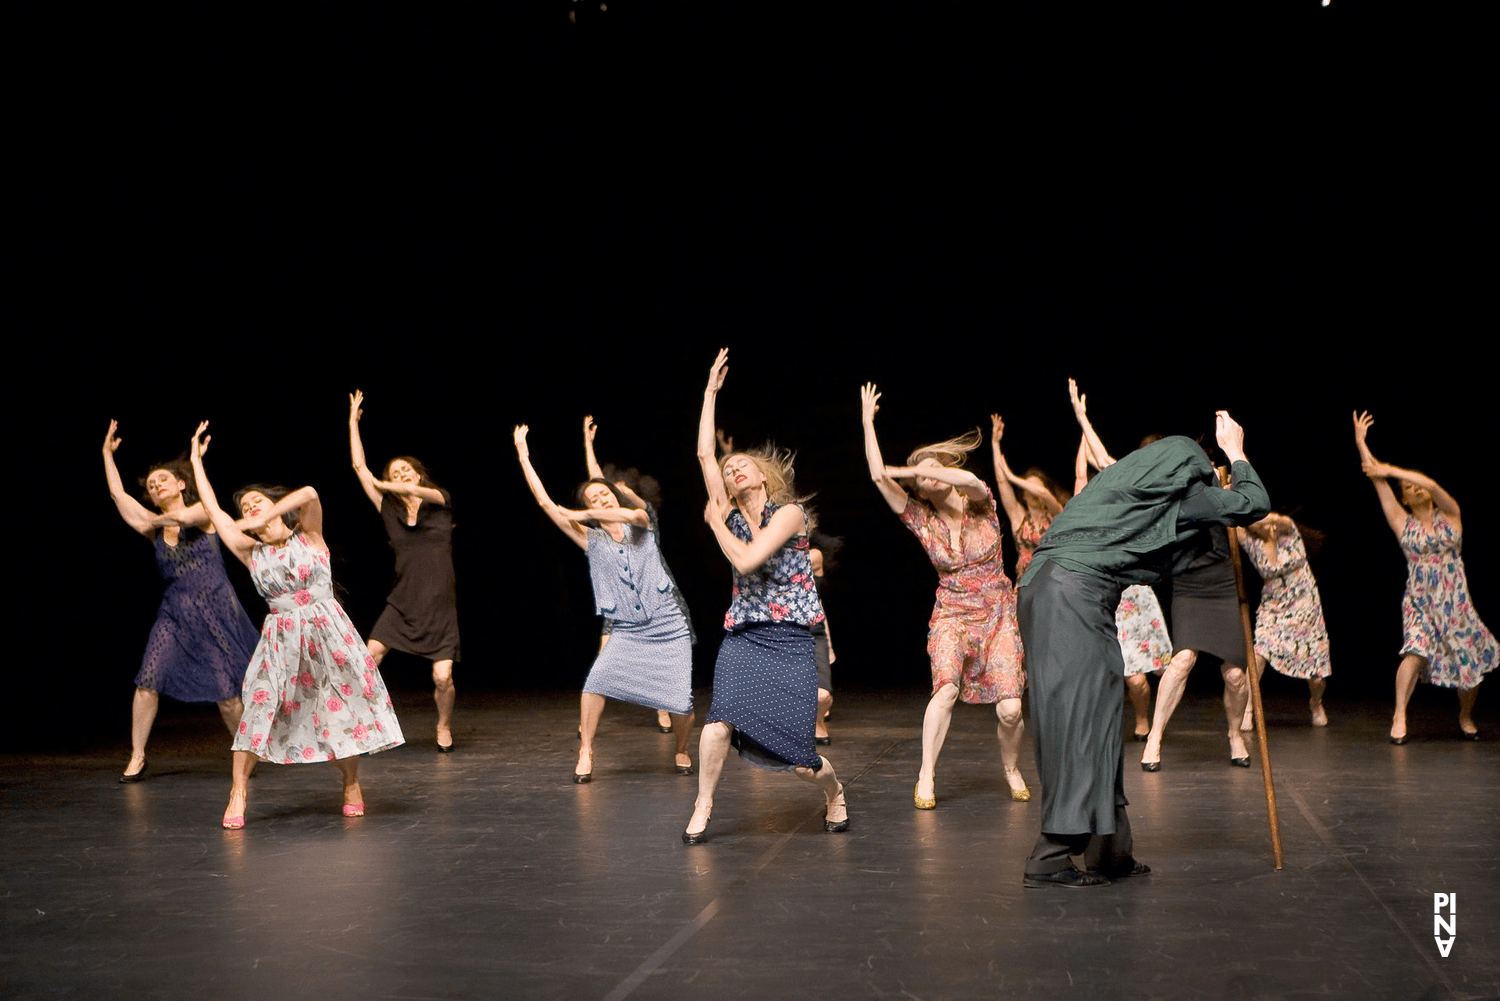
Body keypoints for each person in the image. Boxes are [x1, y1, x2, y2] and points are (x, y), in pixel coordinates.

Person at [1017, 389, 1268, 888]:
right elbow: (1252, 502)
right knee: (1081, 721)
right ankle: (1050, 856)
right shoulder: (1179, 494)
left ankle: (1110, 851)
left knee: (1101, 715)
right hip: (1071, 594)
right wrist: (1236, 453)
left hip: (1051, 589)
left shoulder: (1125, 490)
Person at [187, 422, 404, 829]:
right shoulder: (249, 550)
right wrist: (197, 462)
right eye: (245, 505)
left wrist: (266, 511)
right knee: (259, 705)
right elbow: (215, 510)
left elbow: (310, 493)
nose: (250, 507)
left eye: (257, 501)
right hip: (280, 637)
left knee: (338, 709)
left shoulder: (310, 536)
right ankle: (238, 791)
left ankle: (352, 784)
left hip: (327, 633)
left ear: (273, 505)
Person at [682, 349, 848, 843]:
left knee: (799, 759)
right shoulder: (727, 511)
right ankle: (703, 804)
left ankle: (834, 793)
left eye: (743, 466)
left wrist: (714, 526)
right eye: (730, 469)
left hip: (791, 638)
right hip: (745, 635)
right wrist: (710, 393)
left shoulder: (789, 514)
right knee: (717, 724)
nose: (733, 470)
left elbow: (749, 560)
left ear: (761, 477)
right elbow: (703, 454)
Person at [860, 383, 1029, 810]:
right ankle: (926, 774)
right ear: (921, 491)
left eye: (936, 469)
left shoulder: (981, 503)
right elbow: (878, 476)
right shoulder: (921, 519)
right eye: (924, 477)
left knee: (1010, 708)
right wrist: (867, 422)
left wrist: (914, 468)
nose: (930, 476)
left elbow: (969, 478)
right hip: (952, 613)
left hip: (997, 615)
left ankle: (1011, 767)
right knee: (946, 691)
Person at [514, 419, 696, 782]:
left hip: (667, 621)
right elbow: (545, 502)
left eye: (604, 495)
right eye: (591, 499)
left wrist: (584, 510)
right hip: (626, 627)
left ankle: (681, 748)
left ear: (614, 494)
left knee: (683, 703)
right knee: (595, 682)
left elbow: (628, 513)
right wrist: (523, 455)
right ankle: (586, 750)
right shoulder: (591, 540)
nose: (599, 500)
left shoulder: (643, 520)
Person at [102, 422, 260, 782]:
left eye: (163, 480)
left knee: (227, 695)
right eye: (152, 485)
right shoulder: (155, 525)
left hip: (215, 610)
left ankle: (247, 750)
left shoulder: (204, 514)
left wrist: (152, 518)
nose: (157, 486)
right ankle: (138, 755)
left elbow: (188, 515)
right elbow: (118, 496)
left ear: (182, 484)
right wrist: (107, 455)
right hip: (174, 613)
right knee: (147, 680)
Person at [1354, 411, 1495, 741]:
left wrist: (1391, 469)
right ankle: (1399, 714)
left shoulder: (1451, 514)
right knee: (1415, 650)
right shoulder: (1403, 523)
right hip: (1419, 600)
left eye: (1415, 484)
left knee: (1470, 666)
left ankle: (1465, 715)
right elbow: (1377, 480)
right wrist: (1362, 444)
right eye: (1406, 488)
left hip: (1456, 602)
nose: (1414, 488)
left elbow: (1428, 482)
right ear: (1404, 498)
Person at [348, 391, 461, 752]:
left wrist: (390, 482)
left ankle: (443, 725)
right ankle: (369, 726)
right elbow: (359, 469)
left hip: (439, 604)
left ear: (417, 474)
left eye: (405, 471)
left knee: (442, 677)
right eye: (393, 473)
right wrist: (353, 422)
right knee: (368, 660)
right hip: (402, 601)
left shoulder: (439, 501)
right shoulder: (388, 508)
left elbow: (414, 489)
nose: (399, 476)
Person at [1239, 514, 1332, 726]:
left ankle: (1316, 702)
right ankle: (1247, 708)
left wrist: (1266, 519)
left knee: (1316, 677)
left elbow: (1281, 518)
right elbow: (1230, 521)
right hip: (1273, 607)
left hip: (1305, 606)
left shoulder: (1288, 531)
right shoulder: (1248, 539)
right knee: (1259, 654)